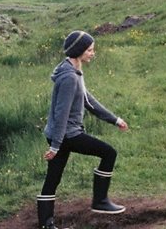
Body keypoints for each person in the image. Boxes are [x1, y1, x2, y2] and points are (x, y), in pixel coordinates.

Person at [36, 30, 129, 229]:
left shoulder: (73, 70)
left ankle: (46, 223)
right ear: (79, 51)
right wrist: (55, 147)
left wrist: (115, 119)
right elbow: (61, 114)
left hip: (59, 135)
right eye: (89, 50)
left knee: (53, 178)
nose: (92, 53)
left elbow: (88, 101)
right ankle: (100, 201)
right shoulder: (69, 78)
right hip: (67, 135)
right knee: (108, 153)